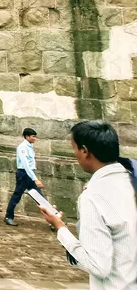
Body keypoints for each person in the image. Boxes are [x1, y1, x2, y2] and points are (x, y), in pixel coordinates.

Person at [40, 120, 137, 290]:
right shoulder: (129, 180)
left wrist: (60, 228)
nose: (75, 154)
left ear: (85, 151)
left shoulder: (93, 196)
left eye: (74, 149)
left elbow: (98, 266)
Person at [4, 127, 45, 226]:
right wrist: (35, 179)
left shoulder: (29, 146)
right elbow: (26, 165)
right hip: (23, 174)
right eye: (33, 136)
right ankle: (8, 217)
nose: (35, 138)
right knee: (17, 195)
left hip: (29, 174)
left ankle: (53, 219)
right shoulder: (22, 147)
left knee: (39, 197)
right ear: (27, 137)